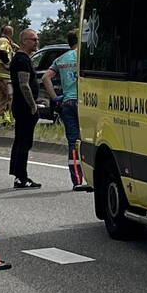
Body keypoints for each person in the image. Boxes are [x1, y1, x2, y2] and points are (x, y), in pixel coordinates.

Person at [42, 30, 91, 192]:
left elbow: (45, 78)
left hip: (68, 102)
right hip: (86, 102)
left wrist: (56, 97)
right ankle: (93, 179)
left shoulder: (60, 60)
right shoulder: (86, 56)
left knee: (73, 141)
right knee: (91, 140)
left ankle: (77, 180)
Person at [9, 28, 41, 189]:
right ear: (23, 41)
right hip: (24, 108)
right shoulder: (22, 60)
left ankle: (18, 175)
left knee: (20, 141)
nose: (36, 42)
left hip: (21, 106)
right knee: (24, 142)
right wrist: (33, 105)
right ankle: (21, 177)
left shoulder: (22, 58)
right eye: (33, 39)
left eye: (37, 39)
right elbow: (24, 84)